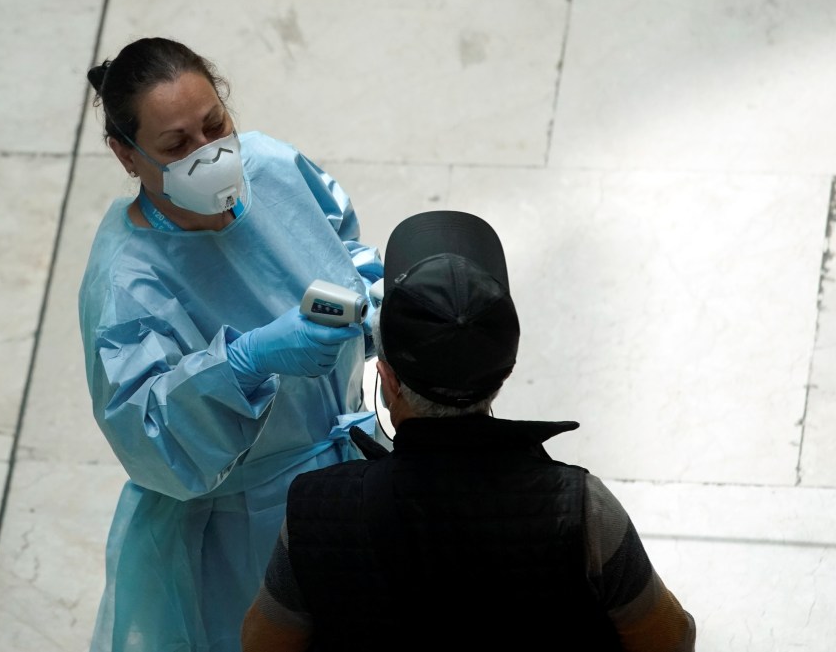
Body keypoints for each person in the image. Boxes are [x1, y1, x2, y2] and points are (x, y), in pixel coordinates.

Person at [242, 210, 697, 651]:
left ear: (388, 378)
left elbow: (263, 643)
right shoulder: (583, 509)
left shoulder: (315, 511)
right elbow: (670, 639)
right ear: (504, 371)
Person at [79, 36, 384, 652]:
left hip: (351, 470)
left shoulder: (270, 167)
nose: (208, 154)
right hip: (245, 524)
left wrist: (371, 308)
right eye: (175, 146)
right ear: (127, 155)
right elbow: (150, 439)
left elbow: (344, 247)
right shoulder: (127, 280)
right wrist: (244, 363)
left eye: (215, 126)